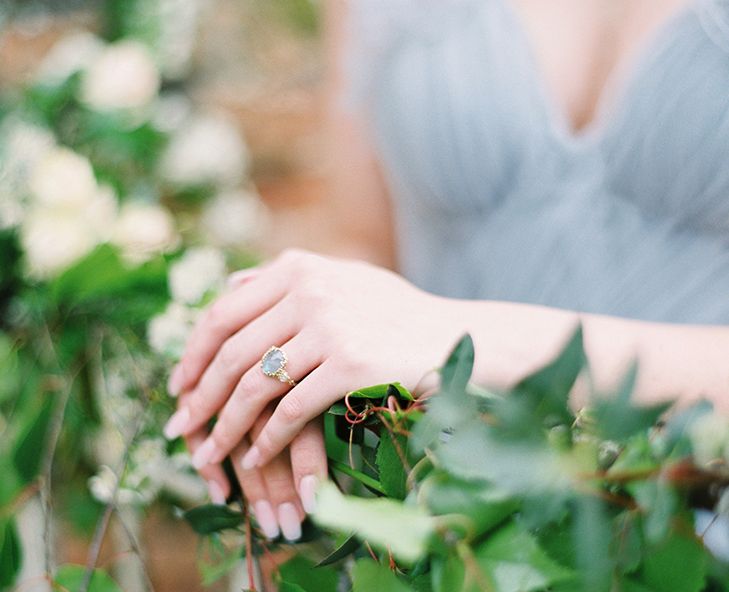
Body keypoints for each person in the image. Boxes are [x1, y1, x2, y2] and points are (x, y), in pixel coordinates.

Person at [163, 0, 729, 541]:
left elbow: (420, 328)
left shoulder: (435, 333)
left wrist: (458, 342)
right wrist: (293, 341)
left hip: (697, 532)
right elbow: (364, 236)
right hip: (452, 535)